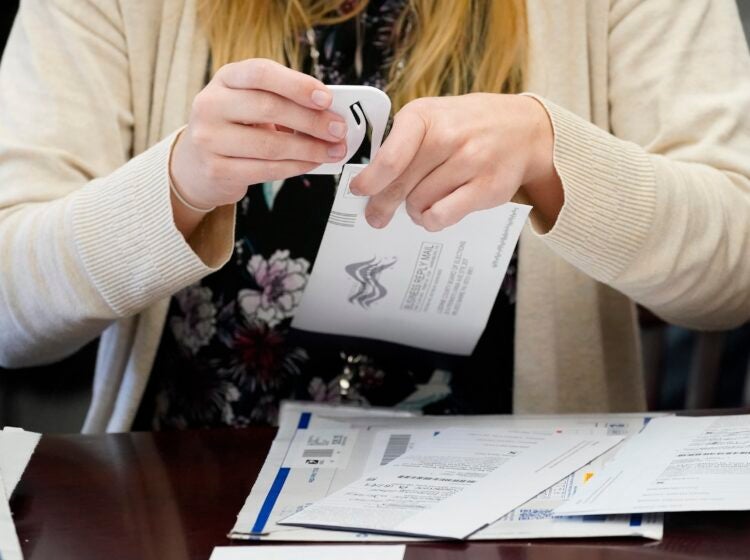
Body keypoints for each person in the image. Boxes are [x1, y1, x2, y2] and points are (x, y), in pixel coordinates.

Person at [0, 0, 749, 433]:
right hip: (187, 495)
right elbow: (9, 309)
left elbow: (735, 268)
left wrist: (556, 160)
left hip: (524, 511)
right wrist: (177, 185)